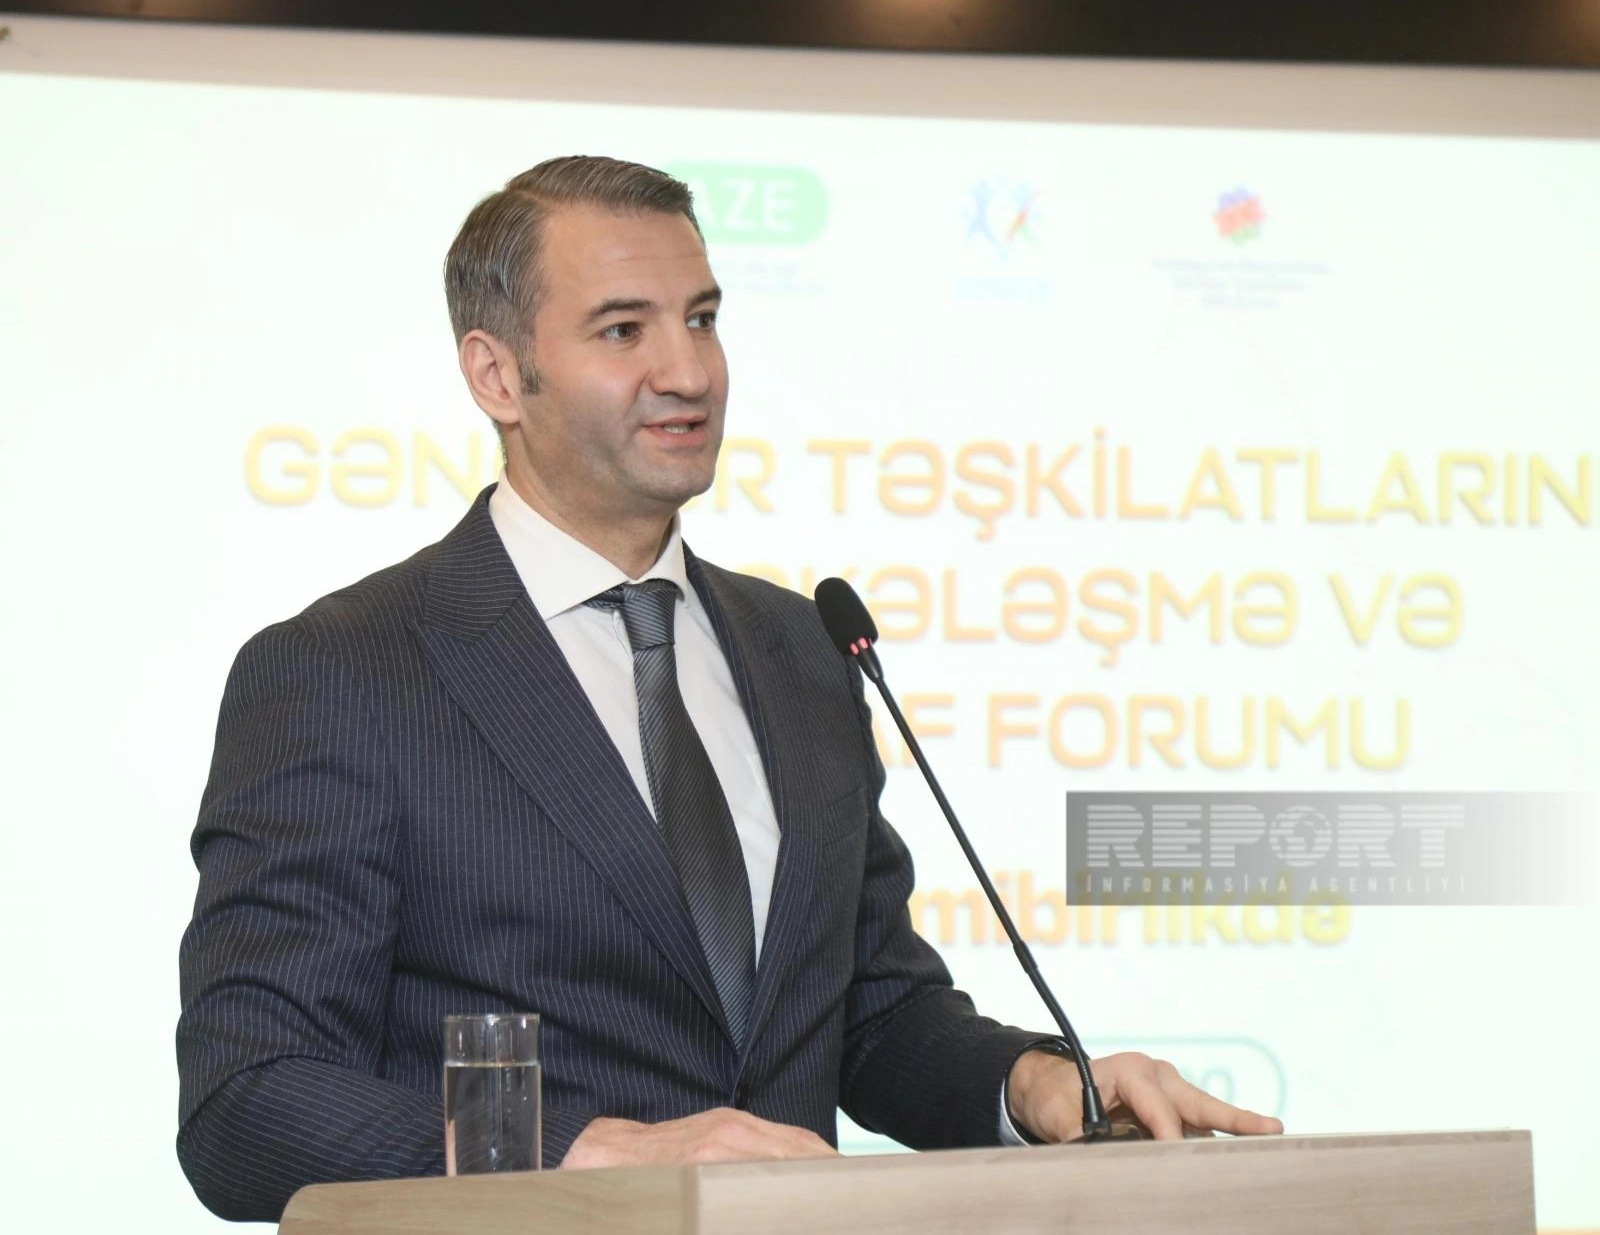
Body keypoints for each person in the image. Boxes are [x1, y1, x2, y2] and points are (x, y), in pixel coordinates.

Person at [175, 156, 1282, 1221]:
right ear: (497, 375)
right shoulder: (349, 672)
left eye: (701, 319)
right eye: (624, 330)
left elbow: (869, 1013)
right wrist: (590, 1156)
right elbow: (248, 1099)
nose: (690, 372)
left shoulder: (802, 648)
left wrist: (1035, 1085)